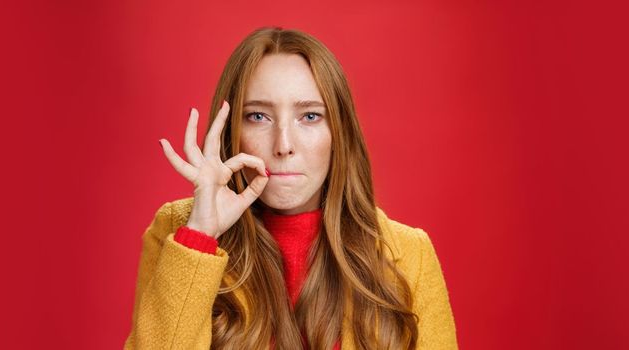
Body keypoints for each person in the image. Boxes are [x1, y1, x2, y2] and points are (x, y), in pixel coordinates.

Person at [124, 26, 458, 349]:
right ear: (230, 133)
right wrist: (201, 235)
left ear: (338, 134)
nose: (283, 145)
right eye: (258, 116)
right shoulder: (179, 232)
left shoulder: (410, 254)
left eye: (309, 117)